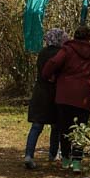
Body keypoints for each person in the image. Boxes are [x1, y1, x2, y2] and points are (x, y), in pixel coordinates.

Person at [42, 25, 90, 172]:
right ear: (89, 38)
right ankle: (77, 161)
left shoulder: (67, 50)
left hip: (65, 94)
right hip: (84, 95)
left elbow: (53, 63)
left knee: (65, 127)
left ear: (74, 36)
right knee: (81, 127)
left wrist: (47, 76)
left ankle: (65, 159)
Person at [24, 28, 69, 170]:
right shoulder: (62, 54)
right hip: (55, 93)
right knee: (56, 126)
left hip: (40, 92)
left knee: (36, 126)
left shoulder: (42, 52)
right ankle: (53, 153)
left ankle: (29, 154)